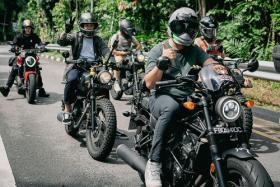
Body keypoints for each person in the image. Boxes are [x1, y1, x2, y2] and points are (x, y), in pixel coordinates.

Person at [143, 7, 227, 187]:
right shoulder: (160, 49)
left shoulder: (194, 50)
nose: (186, 32)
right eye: (181, 27)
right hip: (162, 96)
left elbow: (208, 62)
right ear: (173, 27)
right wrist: (161, 64)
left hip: (188, 96)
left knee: (213, 108)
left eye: (190, 28)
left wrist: (219, 68)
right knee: (171, 108)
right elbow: (149, 83)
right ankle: (154, 163)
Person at [57, 12, 110, 125]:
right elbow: (61, 42)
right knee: (72, 79)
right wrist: (65, 31)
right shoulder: (75, 36)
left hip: (94, 67)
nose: (89, 27)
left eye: (91, 25)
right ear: (82, 26)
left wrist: (112, 60)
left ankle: (108, 118)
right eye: (86, 25)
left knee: (105, 81)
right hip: (77, 65)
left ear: (94, 26)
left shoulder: (97, 39)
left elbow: (105, 51)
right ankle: (67, 108)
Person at [0, 19, 49, 97]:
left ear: (31, 29)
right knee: (15, 68)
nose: (28, 30)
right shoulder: (18, 36)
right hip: (21, 56)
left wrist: (42, 46)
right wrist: (14, 47)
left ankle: (41, 90)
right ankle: (7, 88)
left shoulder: (34, 36)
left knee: (37, 69)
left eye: (29, 28)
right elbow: (14, 43)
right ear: (23, 28)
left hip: (31, 56)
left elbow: (39, 43)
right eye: (26, 28)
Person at [109, 19, 142, 93]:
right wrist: (123, 53)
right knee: (118, 62)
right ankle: (116, 82)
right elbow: (112, 51)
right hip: (117, 55)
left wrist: (135, 50)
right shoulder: (116, 37)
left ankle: (132, 78)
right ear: (123, 30)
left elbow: (138, 45)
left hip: (128, 55)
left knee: (138, 61)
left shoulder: (130, 37)